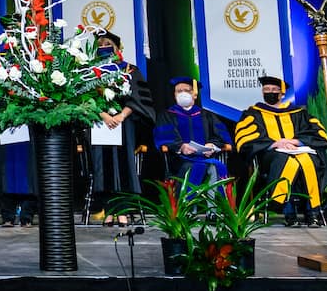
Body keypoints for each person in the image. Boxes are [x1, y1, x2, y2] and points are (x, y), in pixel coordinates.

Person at [234, 75, 327, 226]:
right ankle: (289, 212)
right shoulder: (254, 113)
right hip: (270, 155)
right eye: (266, 89)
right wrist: (276, 143)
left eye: (273, 89)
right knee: (286, 162)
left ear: (281, 93)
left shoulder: (298, 112)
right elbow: (246, 139)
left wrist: (295, 142)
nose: (269, 92)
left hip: (298, 151)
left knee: (308, 161)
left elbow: (317, 133)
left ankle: (312, 213)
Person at [87, 30, 154, 226]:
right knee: (104, 168)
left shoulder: (129, 70)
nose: (103, 48)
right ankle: (108, 210)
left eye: (107, 44)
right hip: (100, 123)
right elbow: (85, 99)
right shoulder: (89, 71)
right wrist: (105, 115)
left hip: (124, 124)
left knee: (124, 167)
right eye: (99, 45)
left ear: (117, 48)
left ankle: (123, 211)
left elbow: (139, 98)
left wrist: (121, 115)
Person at [153, 76, 229, 185]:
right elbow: (164, 137)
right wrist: (181, 147)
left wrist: (212, 146)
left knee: (216, 167)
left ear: (194, 94)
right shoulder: (167, 116)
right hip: (179, 160)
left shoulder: (207, 115)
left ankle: (213, 202)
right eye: (179, 91)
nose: (183, 93)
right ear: (174, 95)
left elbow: (220, 136)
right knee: (195, 166)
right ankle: (188, 202)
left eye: (187, 90)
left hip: (207, 157)